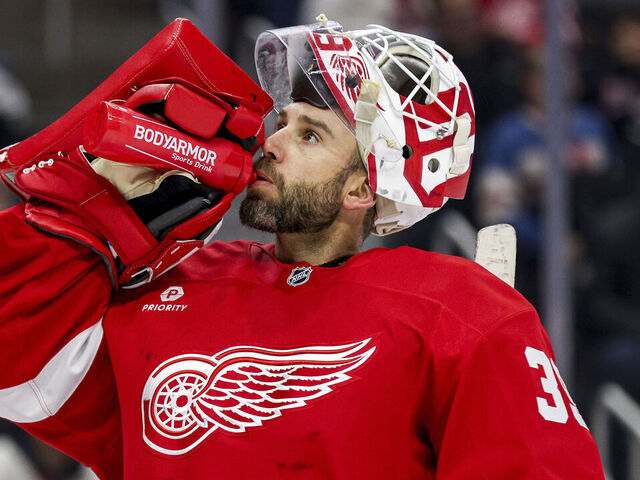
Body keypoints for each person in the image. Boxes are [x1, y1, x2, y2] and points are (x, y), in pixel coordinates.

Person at [0, 17, 604, 479]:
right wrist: (87, 214)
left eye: (310, 134)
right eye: (283, 122)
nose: (272, 142)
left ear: (366, 186)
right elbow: (20, 374)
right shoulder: (173, 283)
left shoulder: (465, 314)